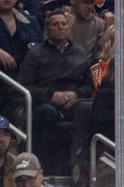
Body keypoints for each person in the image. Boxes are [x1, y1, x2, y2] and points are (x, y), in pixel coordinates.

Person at [16, 8, 93, 175]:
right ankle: (44, 166)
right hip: (45, 101)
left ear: (69, 27)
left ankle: (80, 166)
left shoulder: (80, 53)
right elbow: (22, 86)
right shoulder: (35, 53)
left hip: (74, 102)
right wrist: (51, 94)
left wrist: (76, 94)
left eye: (64, 24)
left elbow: (89, 85)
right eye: (55, 24)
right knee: (47, 112)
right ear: (47, 29)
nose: (60, 27)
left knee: (89, 110)